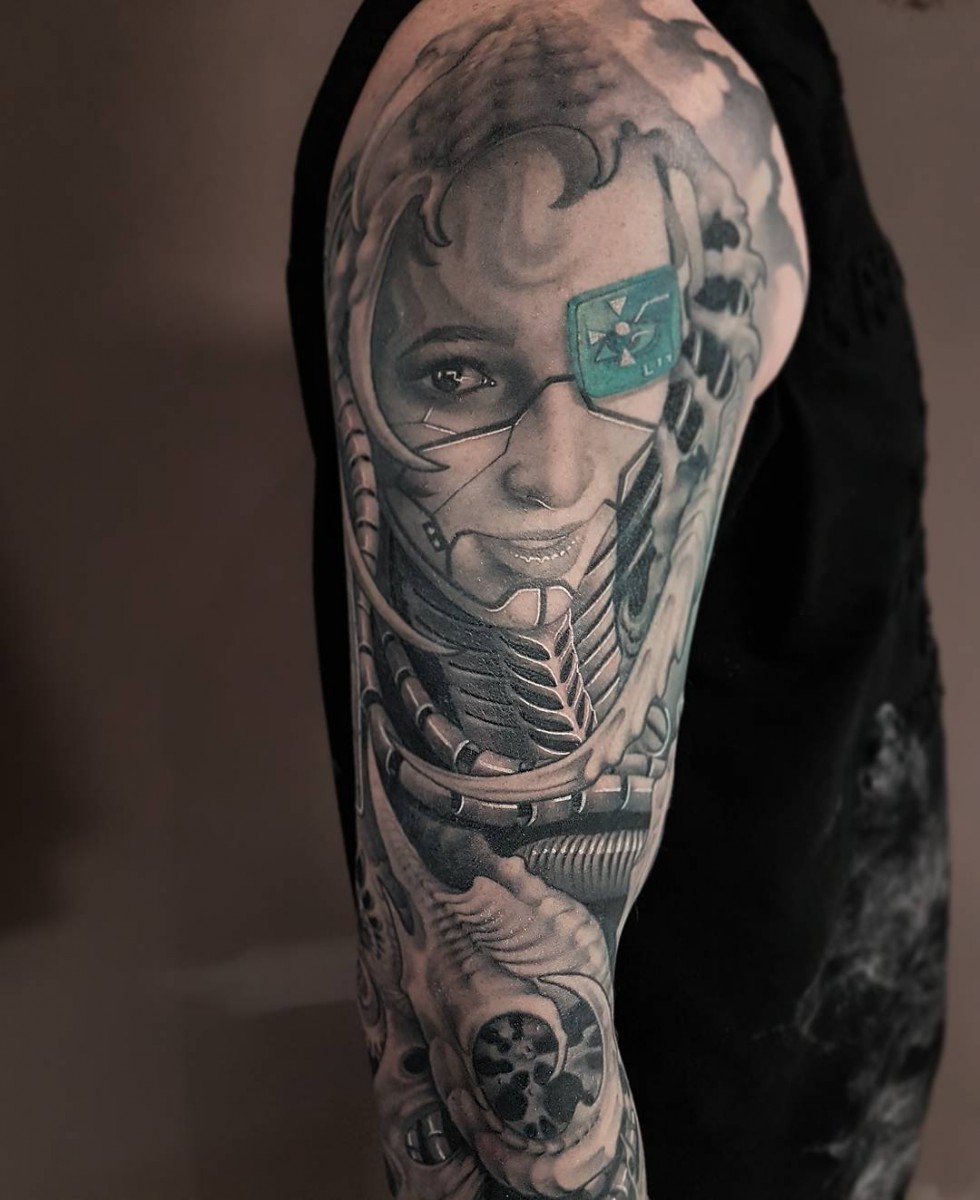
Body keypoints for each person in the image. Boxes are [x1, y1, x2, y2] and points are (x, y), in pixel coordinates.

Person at [288, 1, 948, 1197]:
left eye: (620, 347)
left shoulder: (690, 74)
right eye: (461, 376)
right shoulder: (582, 66)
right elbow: (493, 1042)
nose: (549, 471)